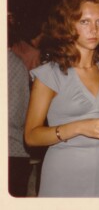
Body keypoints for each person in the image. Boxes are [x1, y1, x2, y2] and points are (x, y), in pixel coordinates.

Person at [24, 0, 99, 197]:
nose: (93, 30)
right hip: (65, 169)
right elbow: (31, 136)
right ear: (69, 26)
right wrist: (79, 127)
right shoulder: (50, 74)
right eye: (84, 22)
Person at [8, 24, 32, 196]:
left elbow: (13, 115)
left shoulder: (10, 64)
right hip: (16, 152)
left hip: (10, 151)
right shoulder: (17, 64)